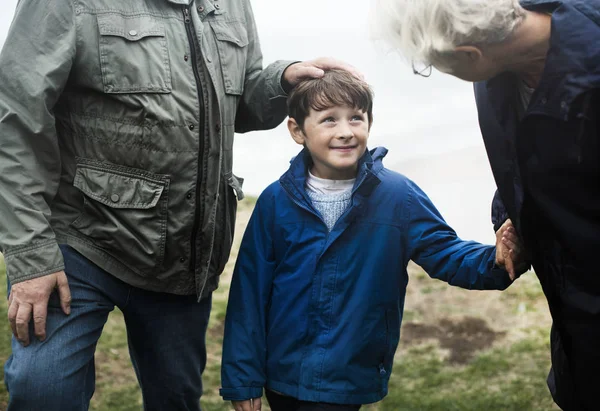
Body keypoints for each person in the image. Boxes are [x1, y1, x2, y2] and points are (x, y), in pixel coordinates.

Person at [0, 0, 361, 409]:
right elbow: (15, 118)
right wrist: (31, 255)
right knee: (42, 391)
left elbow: (241, 104)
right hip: (78, 241)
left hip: (184, 252)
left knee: (176, 398)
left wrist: (282, 80)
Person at [219, 69, 523, 411]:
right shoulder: (276, 200)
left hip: (349, 376)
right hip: (282, 375)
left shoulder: (397, 196)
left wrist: (498, 258)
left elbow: (447, 254)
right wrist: (242, 378)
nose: (346, 132)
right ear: (296, 130)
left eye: (356, 118)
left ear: (370, 122)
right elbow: (249, 294)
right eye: (329, 120)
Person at [372, 0, 600, 409]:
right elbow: (528, 159)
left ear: (467, 55)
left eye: (430, 65)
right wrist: (515, 216)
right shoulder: (497, 72)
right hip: (577, 329)